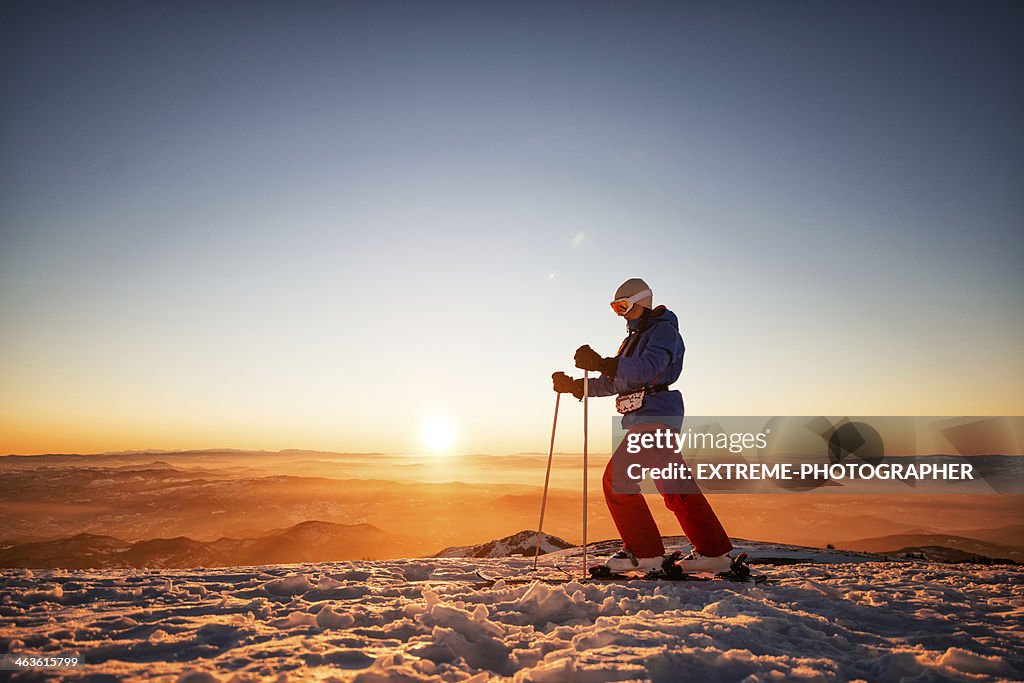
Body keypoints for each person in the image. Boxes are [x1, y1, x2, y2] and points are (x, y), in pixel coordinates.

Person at [552, 278, 734, 574]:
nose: (621, 314)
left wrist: (602, 362)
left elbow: (648, 368)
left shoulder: (663, 331)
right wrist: (575, 386)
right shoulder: (633, 339)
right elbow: (617, 381)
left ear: (642, 301)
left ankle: (645, 553)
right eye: (615, 308)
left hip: (655, 418)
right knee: (676, 487)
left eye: (623, 306)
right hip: (649, 419)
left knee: (618, 479)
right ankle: (714, 552)